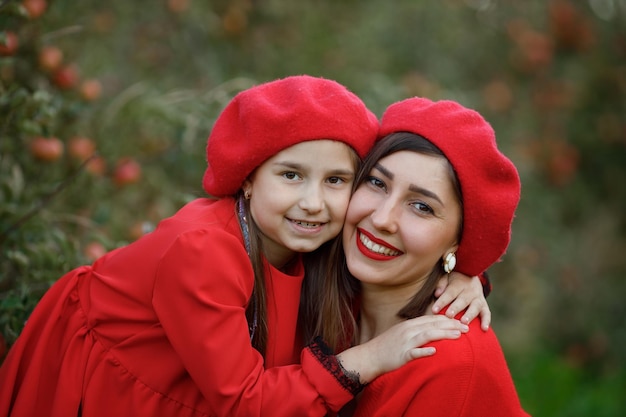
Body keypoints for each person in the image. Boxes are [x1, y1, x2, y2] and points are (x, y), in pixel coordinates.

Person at [0, 77, 486, 417]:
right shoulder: (202, 251)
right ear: (248, 179)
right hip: (116, 390)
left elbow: (400, 247)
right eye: (291, 175)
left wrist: (464, 273)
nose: (313, 202)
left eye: (337, 180)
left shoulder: (318, 237)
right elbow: (243, 402)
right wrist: (370, 357)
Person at [314, 97, 530, 416]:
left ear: (458, 240)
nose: (382, 218)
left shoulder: (451, 363)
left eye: (421, 207)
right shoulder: (324, 289)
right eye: (377, 182)